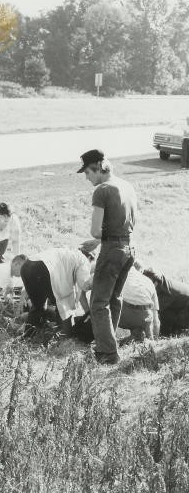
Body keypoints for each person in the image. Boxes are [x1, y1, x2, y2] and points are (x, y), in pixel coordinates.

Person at [78, 149, 137, 364]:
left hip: (112, 252)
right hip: (128, 249)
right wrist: (102, 240)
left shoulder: (102, 190)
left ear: (97, 168)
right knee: (114, 299)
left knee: (98, 303)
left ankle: (107, 353)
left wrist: (99, 238)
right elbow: (124, 225)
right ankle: (110, 345)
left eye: (86, 172)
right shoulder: (126, 185)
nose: (86, 177)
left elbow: (95, 230)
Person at [12, 247, 93, 329]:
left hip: (27, 266)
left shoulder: (67, 253)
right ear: (89, 258)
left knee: (38, 308)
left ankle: (28, 336)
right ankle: (64, 336)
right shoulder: (83, 260)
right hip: (44, 268)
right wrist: (89, 313)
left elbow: (80, 292)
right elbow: (83, 286)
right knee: (63, 305)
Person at [117, 261, 160, 341]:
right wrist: (156, 341)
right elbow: (156, 320)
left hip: (122, 317)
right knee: (145, 318)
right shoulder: (149, 281)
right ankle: (149, 342)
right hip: (144, 319)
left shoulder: (120, 273)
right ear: (141, 271)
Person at [142, 267, 189, 336]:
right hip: (181, 307)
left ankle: (171, 333)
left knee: (162, 315)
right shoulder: (163, 284)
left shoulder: (166, 292)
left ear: (155, 283)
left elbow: (153, 312)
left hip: (186, 310)